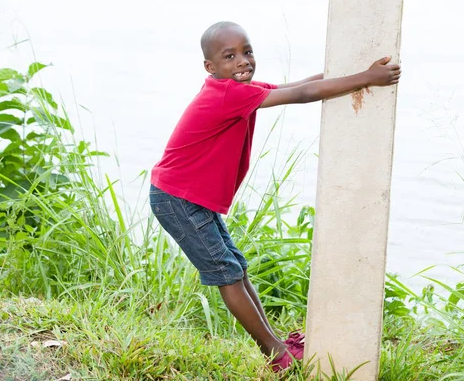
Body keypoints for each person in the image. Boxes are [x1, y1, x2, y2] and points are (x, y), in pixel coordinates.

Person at [149, 21, 401, 372]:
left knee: (236, 268)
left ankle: (277, 344)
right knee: (226, 273)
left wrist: (345, 68)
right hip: (176, 198)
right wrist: (365, 78)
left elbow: (296, 85)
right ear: (211, 67)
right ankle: (276, 355)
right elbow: (302, 96)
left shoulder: (237, 89)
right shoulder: (229, 94)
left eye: (247, 52)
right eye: (230, 56)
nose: (243, 62)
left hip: (187, 197)